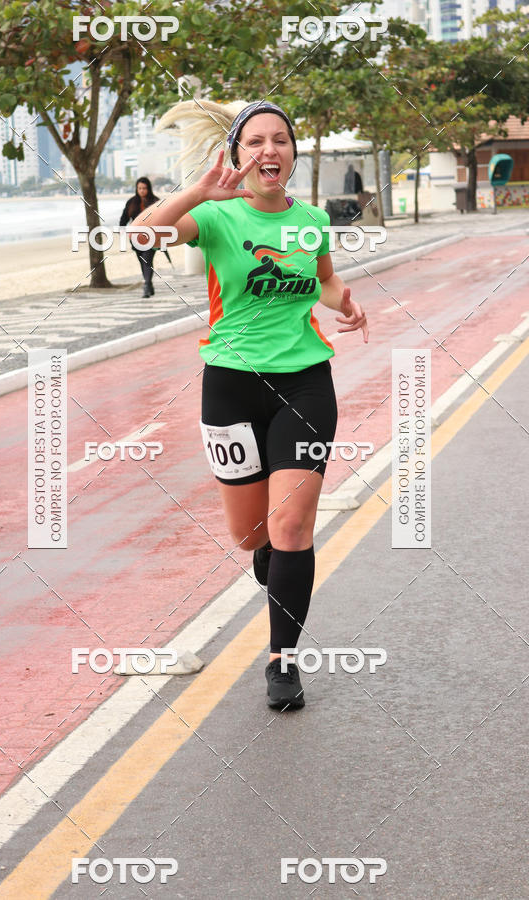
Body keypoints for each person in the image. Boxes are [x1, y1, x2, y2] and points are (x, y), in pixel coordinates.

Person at [133, 99, 369, 710]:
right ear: (239, 154)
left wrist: (345, 301)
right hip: (230, 386)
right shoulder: (214, 215)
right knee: (252, 536)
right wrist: (196, 192)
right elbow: (141, 235)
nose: (270, 150)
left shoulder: (312, 218)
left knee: (292, 525)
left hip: (304, 382)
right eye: (256, 141)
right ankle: (271, 555)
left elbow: (321, 277)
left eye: (281, 140)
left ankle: (282, 660)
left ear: (293, 152)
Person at [120, 177, 159, 297]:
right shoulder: (131, 202)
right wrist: (122, 230)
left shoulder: (155, 201)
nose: (142, 191)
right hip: (135, 238)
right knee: (142, 261)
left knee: (147, 260)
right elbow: (124, 218)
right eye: (139, 188)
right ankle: (149, 284)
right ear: (137, 189)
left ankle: (146, 286)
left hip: (152, 237)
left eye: (144, 188)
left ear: (149, 189)